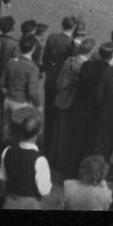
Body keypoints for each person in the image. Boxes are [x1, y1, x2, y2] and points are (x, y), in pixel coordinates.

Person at [50, 38, 96, 178]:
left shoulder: (69, 60)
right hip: (70, 102)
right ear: (91, 51)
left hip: (60, 98)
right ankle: (60, 163)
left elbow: (60, 80)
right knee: (66, 135)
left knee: (58, 132)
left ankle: (54, 159)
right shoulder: (84, 65)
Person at [0, 114, 52, 210]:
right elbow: (44, 191)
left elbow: (2, 179)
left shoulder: (7, 150)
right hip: (31, 204)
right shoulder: (40, 160)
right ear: (38, 133)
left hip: (9, 202)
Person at [42, 15, 77, 149]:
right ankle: (53, 146)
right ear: (73, 27)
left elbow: (45, 57)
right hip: (62, 83)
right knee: (59, 116)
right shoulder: (71, 43)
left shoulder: (52, 37)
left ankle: (46, 141)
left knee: (48, 113)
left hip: (50, 79)